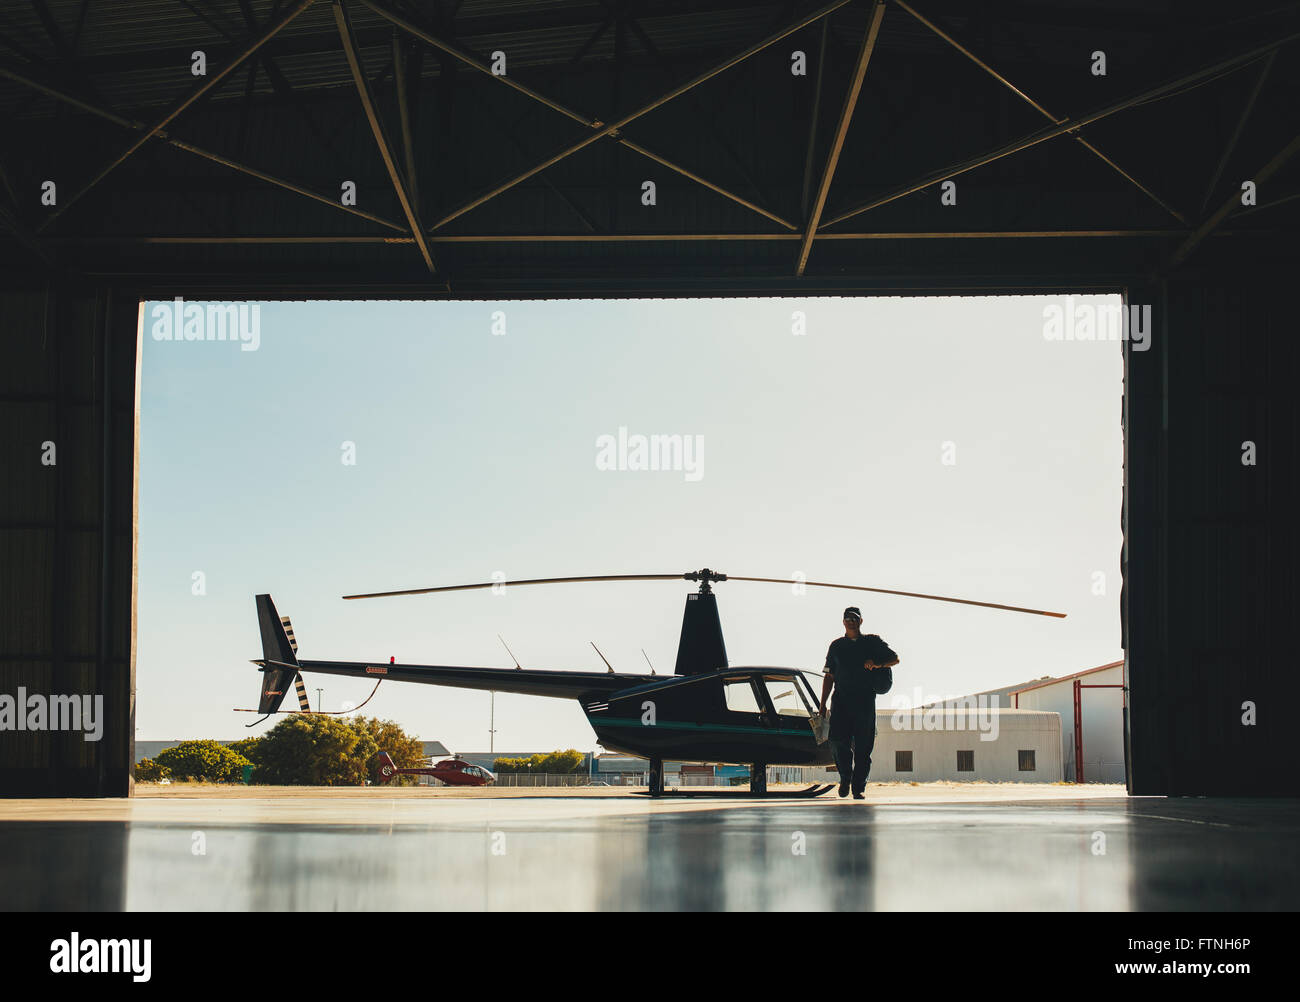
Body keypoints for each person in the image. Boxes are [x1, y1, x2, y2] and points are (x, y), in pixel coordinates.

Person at [819, 607, 899, 799]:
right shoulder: (836, 646)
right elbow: (829, 676)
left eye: (854, 618)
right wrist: (822, 704)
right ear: (843, 622)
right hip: (841, 702)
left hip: (864, 702)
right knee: (838, 742)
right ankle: (846, 777)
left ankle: (858, 787)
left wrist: (877, 664)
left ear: (861, 621)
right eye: (847, 618)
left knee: (864, 748)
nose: (851, 621)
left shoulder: (872, 642)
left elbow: (895, 659)